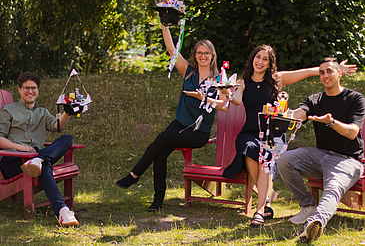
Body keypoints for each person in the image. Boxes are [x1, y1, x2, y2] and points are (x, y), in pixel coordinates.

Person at [222, 45, 357, 228]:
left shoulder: (277, 80)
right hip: (250, 132)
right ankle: (267, 199)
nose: (260, 62)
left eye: (265, 59)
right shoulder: (243, 82)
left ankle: (260, 210)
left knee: (265, 157)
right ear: (252, 58)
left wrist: (335, 69)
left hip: (273, 133)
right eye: (258, 57)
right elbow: (237, 99)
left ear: (270, 63)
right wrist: (226, 93)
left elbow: (307, 72)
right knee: (249, 149)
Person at [115, 24, 230, 211]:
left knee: (162, 137)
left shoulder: (219, 79)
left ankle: (134, 175)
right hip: (180, 124)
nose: (202, 56)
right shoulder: (189, 72)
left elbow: (224, 107)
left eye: (206, 53)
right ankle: (158, 200)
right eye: (199, 53)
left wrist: (204, 98)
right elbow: (171, 50)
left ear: (213, 56)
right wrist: (164, 27)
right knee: (160, 155)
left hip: (198, 132)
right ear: (195, 55)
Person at [276, 57, 365, 243]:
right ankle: (308, 206)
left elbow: (352, 133)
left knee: (332, 188)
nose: (325, 75)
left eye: (330, 71)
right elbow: (299, 115)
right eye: (322, 72)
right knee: (284, 159)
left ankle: (316, 222)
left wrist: (331, 123)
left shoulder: (355, 99)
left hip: (348, 160)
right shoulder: (315, 99)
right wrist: (286, 115)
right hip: (320, 155)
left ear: (339, 73)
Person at [0, 71, 79, 226]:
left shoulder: (42, 112)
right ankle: (62, 210)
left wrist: (67, 112)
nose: (30, 91)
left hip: (34, 159)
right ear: (19, 89)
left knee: (67, 138)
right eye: (26, 88)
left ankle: (39, 159)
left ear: (38, 90)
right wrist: (22, 148)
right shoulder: (8, 110)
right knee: (44, 164)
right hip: (13, 160)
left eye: (34, 88)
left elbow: (57, 126)